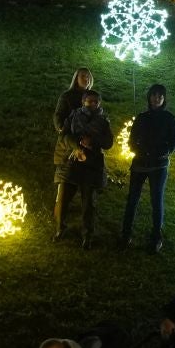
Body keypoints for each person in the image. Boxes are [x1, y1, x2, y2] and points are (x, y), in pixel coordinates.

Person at [119, 85, 175, 253]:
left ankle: (156, 237)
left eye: (160, 96)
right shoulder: (142, 117)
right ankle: (125, 234)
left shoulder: (169, 118)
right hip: (140, 163)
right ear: (149, 97)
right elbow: (131, 140)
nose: (156, 98)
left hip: (159, 165)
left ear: (164, 99)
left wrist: (164, 151)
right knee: (132, 199)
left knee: (156, 200)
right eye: (154, 95)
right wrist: (137, 149)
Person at [57, 89, 115, 248]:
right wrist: (76, 145)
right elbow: (63, 136)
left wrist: (93, 141)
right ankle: (60, 227)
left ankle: (87, 236)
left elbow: (109, 142)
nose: (93, 104)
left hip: (93, 165)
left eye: (96, 102)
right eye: (89, 101)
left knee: (88, 203)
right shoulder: (74, 116)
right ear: (83, 102)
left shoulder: (103, 121)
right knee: (63, 198)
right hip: (73, 161)